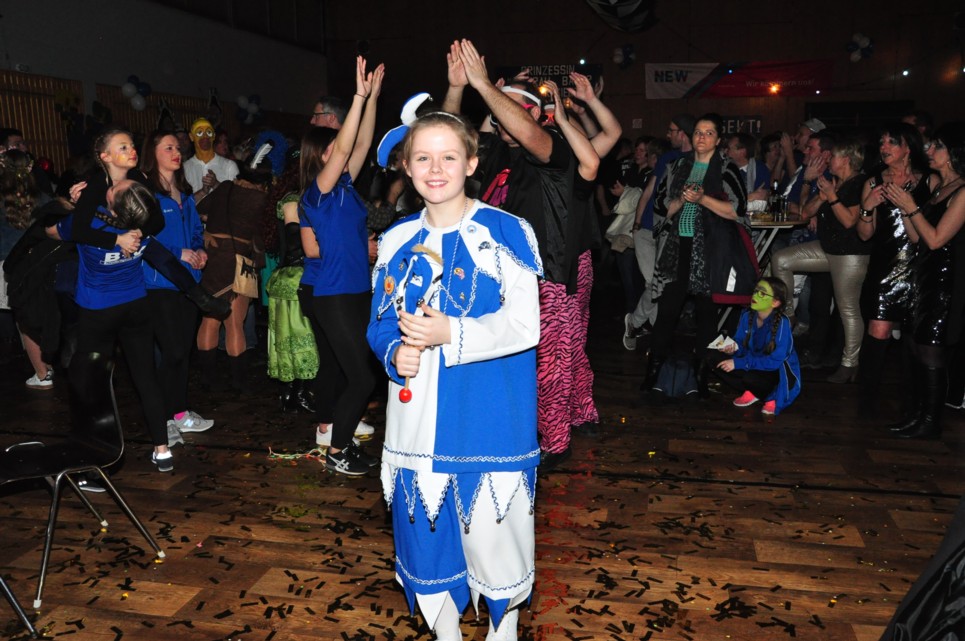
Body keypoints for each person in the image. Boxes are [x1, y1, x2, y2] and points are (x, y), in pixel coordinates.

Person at [368, 110, 541, 641]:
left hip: (489, 420)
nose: (435, 168)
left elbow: (525, 324)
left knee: (496, 546)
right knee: (425, 546)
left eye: (448, 156)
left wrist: (452, 332)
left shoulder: (506, 231)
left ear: (471, 162)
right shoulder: (395, 240)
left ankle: (502, 635)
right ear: (406, 166)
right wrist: (394, 352)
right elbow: (379, 322)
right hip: (415, 424)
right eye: (423, 157)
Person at [443, 39, 577, 467]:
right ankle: (505, 431)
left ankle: (554, 445)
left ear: (534, 114)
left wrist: (486, 86)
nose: (503, 118)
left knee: (549, 367)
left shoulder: (554, 147)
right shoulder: (496, 150)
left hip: (544, 278)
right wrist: (458, 87)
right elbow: (447, 134)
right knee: (500, 363)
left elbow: (529, 133)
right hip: (491, 277)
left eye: (513, 110)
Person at [48, 180, 176, 471]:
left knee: (93, 385)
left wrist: (76, 207)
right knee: (146, 378)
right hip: (135, 307)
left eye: (115, 188)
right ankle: (162, 450)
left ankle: (96, 464)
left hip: (98, 312)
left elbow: (50, 231)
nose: (112, 183)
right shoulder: (143, 226)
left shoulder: (89, 226)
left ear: (114, 207)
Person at [299, 56, 383, 474]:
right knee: (361, 379)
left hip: (358, 291)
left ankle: (340, 442)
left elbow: (361, 145)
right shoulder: (316, 195)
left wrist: (373, 99)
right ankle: (336, 450)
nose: (343, 151)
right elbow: (348, 146)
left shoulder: (346, 187)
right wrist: (358, 96)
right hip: (332, 294)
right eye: (334, 148)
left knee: (360, 372)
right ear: (321, 156)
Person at [645, 113, 749, 395]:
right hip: (677, 247)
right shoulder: (677, 165)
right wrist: (682, 199)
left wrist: (703, 198)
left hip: (712, 250)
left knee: (707, 313)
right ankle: (653, 369)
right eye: (698, 132)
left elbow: (737, 210)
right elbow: (661, 207)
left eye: (708, 133)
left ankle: (703, 372)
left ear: (718, 139)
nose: (702, 137)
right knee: (667, 310)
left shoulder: (726, 168)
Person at [884, 122, 965, 439]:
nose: (929, 150)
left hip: (947, 283)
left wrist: (911, 207)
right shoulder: (940, 188)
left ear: (954, 152)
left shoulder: (962, 191)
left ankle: (931, 421)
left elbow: (936, 239)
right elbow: (918, 237)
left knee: (932, 350)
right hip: (925, 276)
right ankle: (918, 414)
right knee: (917, 347)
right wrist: (905, 207)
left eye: (937, 146)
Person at [771, 139, 870, 383]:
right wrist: (822, 194)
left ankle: (850, 364)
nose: (829, 160)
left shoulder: (860, 183)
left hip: (849, 254)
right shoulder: (835, 182)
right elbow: (805, 213)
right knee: (780, 259)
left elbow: (850, 221)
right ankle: (789, 314)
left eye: (832, 156)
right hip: (827, 249)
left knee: (848, 309)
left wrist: (832, 196)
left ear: (846, 159)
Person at [856, 123, 937, 417]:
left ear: (908, 148)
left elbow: (935, 230)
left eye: (892, 142)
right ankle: (865, 403)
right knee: (878, 331)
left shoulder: (929, 180)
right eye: (882, 142)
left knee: (915, 340)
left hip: (921, 266)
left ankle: (913, 406)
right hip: (885, 267)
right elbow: (864, 234)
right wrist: (867, 207)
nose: (884, 147)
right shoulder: (874, 181)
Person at [139, 130, 214, 443]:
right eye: (168, 147)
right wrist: (177, 253)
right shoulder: (145, 194)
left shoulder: (184, 192)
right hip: (159, 284)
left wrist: (199, 250)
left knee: (182, 352)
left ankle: (180, 414)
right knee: (171, 352)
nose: (176, 152)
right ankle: (163, 419)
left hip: (188, 282)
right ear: (152, 153)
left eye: (177, 147)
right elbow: (142, 238)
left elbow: (196, 230)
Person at [196, 152, 269, 392]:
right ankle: (239, 382)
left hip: (215, 258)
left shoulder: (226, 187)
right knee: (235, 323)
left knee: (209, 320)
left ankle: (207, 379)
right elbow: (264, 235)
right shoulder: (261, 198)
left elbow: (201, 209)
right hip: (240, 260)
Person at [712, 277, 801, 416]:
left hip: (774, 371)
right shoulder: (748, 316)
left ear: (775, 302)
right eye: (755, 291)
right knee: (711, 357)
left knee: (750, 378)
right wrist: (733, 348)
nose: (755, 295)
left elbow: (774, 362)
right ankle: (753, 391)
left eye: (762, 293)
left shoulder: (782, 324)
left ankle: (772, 396)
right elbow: (741, 343)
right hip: (753, 364)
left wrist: (739, 363)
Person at [183, 118, 239, 202]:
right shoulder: (184, 168)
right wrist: (202, 192)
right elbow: (181, 204)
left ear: (213, 136)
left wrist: (216, 184)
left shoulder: (229, 166)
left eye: (209, 132)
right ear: (191, 137)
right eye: (199, 132)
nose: (205, 136)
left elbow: (235, 199)